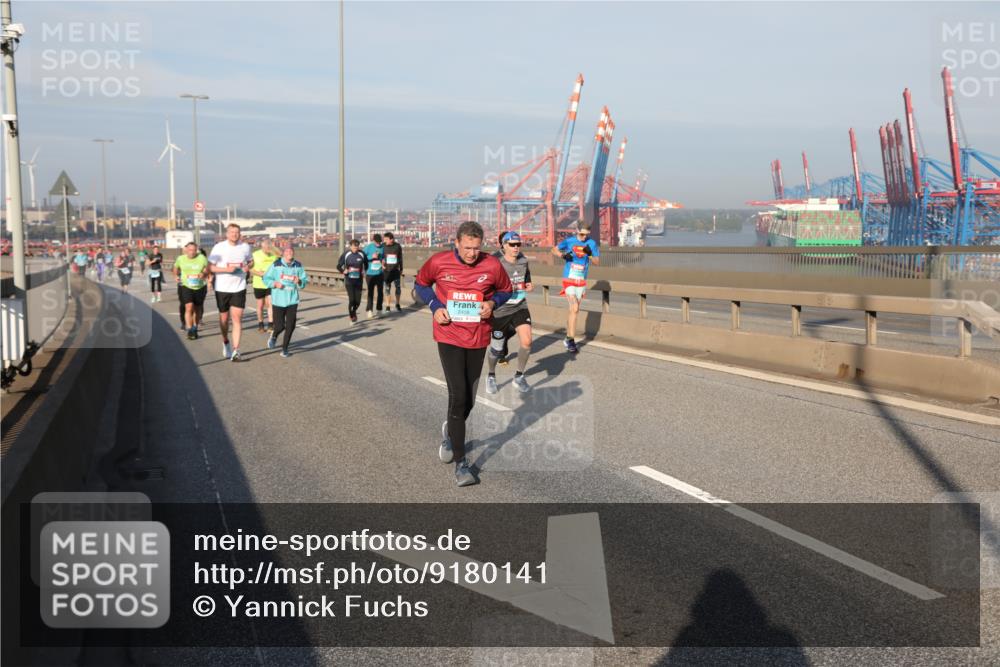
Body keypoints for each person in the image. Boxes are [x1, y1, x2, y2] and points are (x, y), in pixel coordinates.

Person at [414, 221, 513, 487]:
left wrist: (492, 303)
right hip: (448, 334)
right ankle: (462, 464)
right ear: (456, 242)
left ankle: (450, 432)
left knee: (468, 400)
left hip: (478, 336)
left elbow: (506, 290)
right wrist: (435, 305)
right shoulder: (439, 262)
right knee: (457, 394)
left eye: (476, 248)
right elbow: (421, 284)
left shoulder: (491, 265)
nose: (471, 253)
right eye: (467, 247)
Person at [486, 232, 533, 394]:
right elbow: (486, 283)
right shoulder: (495, 262)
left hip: (520, 306)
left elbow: (527, 278)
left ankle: (519, 377)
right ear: (504, 245)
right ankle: (491, 376)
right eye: (512, 244)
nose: (516, 247)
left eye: (518, 244)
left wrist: (528, 285)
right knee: (497, 350)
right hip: (500, 310)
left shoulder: (523, 260)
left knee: (526, 342)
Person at [551, 222, 600, 354]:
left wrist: (589, 254)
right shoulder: (569, 241)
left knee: (573, 310)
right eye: (581, 234)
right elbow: (553, 249)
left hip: (581, 281)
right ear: (577, 231)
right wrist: (562, 255)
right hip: (568, 279)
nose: (584, 237)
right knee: (575, 307)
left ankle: (568, 338)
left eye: (586, 235)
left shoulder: (592, 244)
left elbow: (597, 262)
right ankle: (571, 340)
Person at [209, 224, 254, 361]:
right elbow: (210, 267)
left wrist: (248, 267)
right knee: (224, 319)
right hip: (222, 288)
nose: (234, 234)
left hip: (239, 288)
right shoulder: (219, 247)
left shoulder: (245, 247)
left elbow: (251, 262)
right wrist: (225, 270)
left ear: (240, 234)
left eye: (237, 232)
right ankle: (225, 341)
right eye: (232, 232)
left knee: (237, 319)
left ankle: (236, 350)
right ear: (227, 234)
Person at [263, 244, 309, 358]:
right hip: (278, 300)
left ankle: (284, 349)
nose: (289, 253)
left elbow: (304, 281)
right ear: (283, 253)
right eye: (287, 251)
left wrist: (299, 281)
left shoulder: (298, 265)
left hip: (292, 300)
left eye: (291, 251)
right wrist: (274, 284)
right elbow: (266, 278)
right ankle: (274, 336)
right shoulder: (276, 265)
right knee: (280, 326)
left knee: (291, 325)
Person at [173, 242, 210, 340]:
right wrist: (176, 276)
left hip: (199, 287)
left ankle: (195, 327)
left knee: (197, 309)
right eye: (190, 250)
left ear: (196, 250)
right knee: (189, 307)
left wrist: (204, 274)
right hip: (186, 285)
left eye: (194, 250)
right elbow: (176, 268)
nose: (192, 252)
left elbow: (208, 269)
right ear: (186, 250)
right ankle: (190, 330)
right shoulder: (181, 259)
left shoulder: (202, 258)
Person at [251, 238, 279, 333]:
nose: (268, 249)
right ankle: (261, 324)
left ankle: (271, 324)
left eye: (269, 247)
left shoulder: (273, 255)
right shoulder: (255, 255)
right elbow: (250, 269)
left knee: (270, 304)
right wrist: (259, 273)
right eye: (266, 247)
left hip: (270, 283)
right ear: (262, 247)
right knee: (260, 305)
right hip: (259, 284)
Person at [336, 239, 367, 323]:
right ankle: (352, 315)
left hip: (359, 281)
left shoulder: (362, 254)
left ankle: (353, 312)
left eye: (357, 247)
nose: (355, 248)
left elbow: (366, 265)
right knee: (352, 300)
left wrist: (364, 271)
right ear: (350, 246)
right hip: (349, 281)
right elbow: (338, 266)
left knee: (358, 301)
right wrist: (343, 271)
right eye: (353, 247)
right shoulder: (346, 254)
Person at [363, 233, 385, 318]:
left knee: (380, 293)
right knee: (370, 293)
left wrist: (383, 260)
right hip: (370, 274)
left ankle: (379, 310)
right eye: (377, 243)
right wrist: (371, 258)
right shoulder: (369, 247)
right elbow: (362, 257)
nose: (379, 244)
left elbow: (383, 257)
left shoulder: (382, 247)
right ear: (373, 241)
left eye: (380, 242)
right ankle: (369, 310)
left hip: (380, 273)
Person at [382, 232, 404, 313]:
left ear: (391, 239)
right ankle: (388, 306)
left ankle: (397, 304)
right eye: (384, 239)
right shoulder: (383, 246)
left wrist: (401, 268)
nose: (384, 241)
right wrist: (382, 263)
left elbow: (400, 258)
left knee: (398, 288)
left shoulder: (397, 246)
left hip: (395, 271)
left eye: (386, 239)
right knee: (387, 289)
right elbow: (380, 256)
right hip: (386, 271)